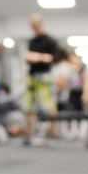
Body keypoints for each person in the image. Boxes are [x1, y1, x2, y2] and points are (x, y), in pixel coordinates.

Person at [23, 13, 59, 141]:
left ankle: (53, 130)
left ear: (41, 24)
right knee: (28, 105)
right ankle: (28, 132)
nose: (34, 28)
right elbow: (28, 58)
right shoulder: (32, 41)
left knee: (49, 105)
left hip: (45, 77)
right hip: (32, 76)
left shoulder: (50, 41)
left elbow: (54, 58)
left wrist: (39, 57)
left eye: (36, 25)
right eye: (32, 26)